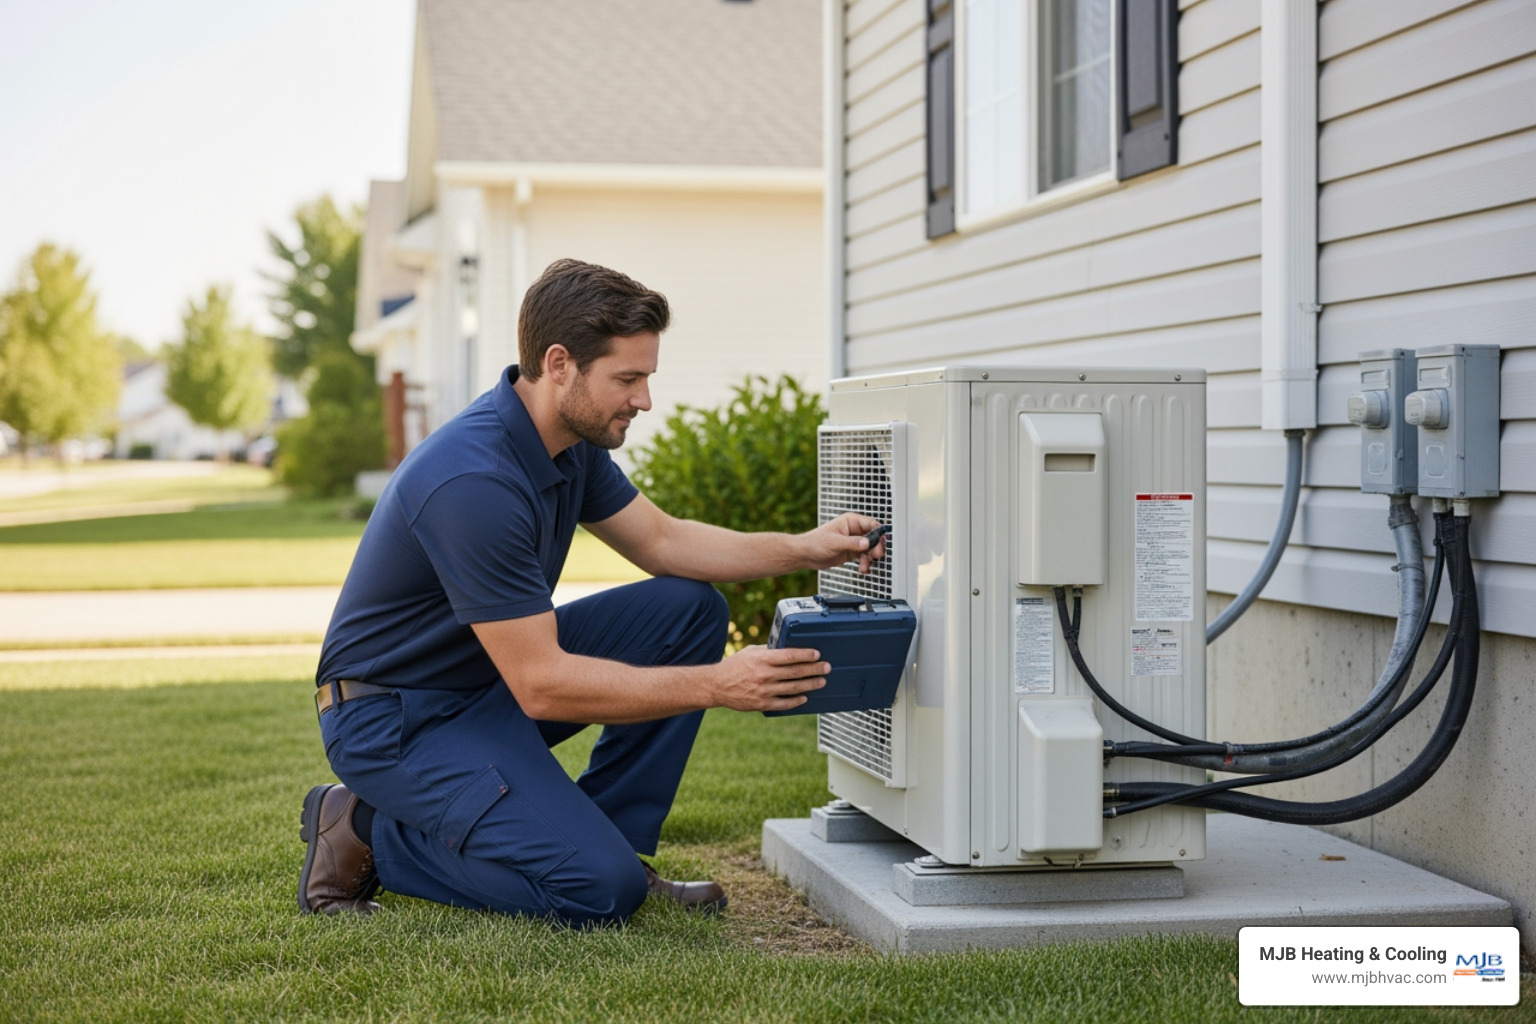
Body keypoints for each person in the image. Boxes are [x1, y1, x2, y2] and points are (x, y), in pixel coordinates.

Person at [298, 258, 885, 925]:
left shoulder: (567, 445)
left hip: (482, 684)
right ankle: (365, 828)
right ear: (558, 364)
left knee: (687, 610)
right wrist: (719, 684)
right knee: (598, 893)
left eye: (646, 378)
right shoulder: (474, 483)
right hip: (397, 720)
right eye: (627, 379)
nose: (643, 400)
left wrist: (807, 546)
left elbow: (663, 543)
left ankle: (613, 842)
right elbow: (543, 685)